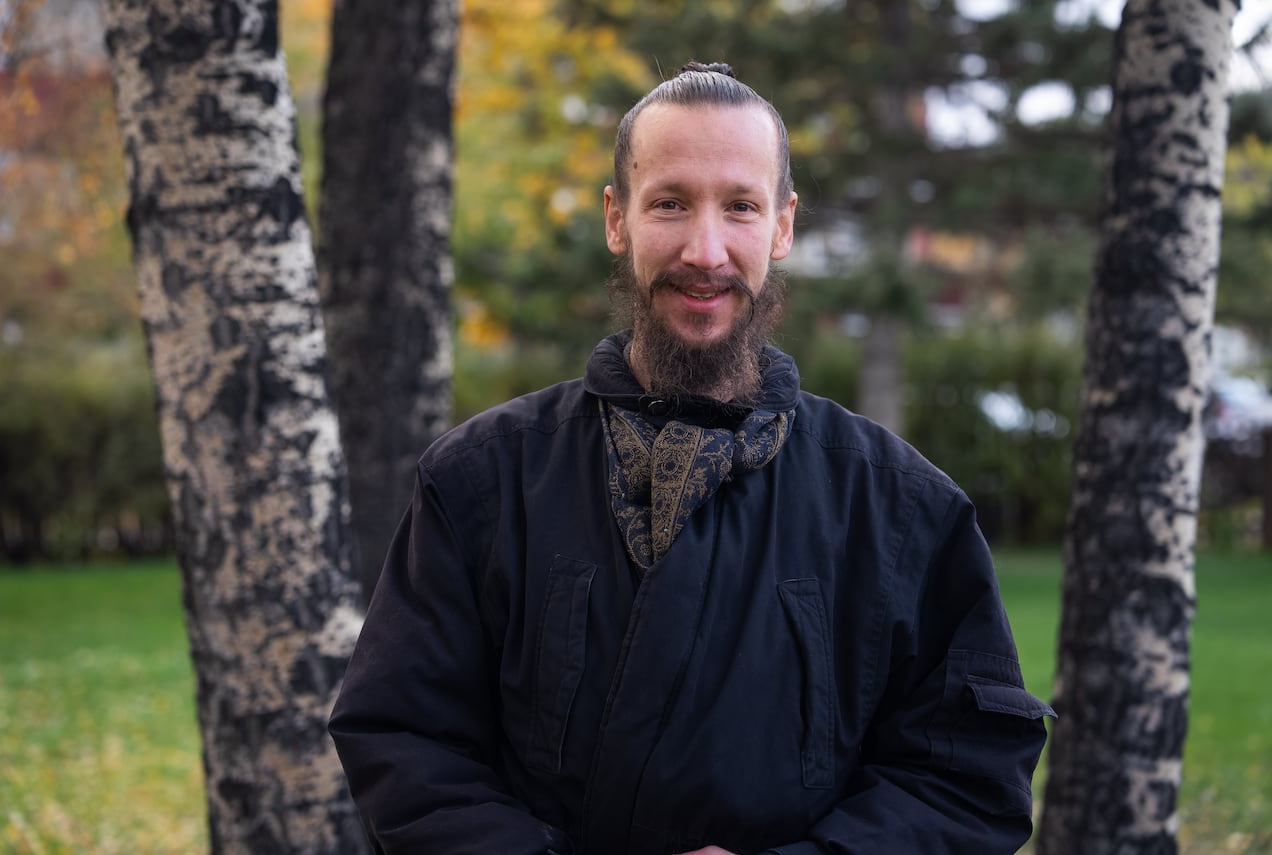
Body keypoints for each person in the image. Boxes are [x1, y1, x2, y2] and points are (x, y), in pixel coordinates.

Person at [328, 61, 1053, 855]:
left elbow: (966, 775)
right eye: (670, 203)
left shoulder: (903, 508)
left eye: (740, 207)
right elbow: (405, 741)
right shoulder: (480, 481)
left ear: (782, 225)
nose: (705, 251)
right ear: (617, 218)